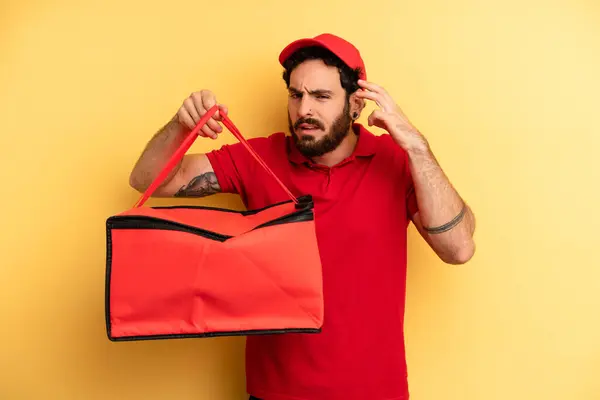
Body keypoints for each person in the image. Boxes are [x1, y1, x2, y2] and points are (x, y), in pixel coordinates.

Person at [129, 33, 476, 400]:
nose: (304, 109)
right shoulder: (258, 158)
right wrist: (182, 125)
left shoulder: (395, 162)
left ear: (356, 104)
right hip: (275, 393)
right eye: (296, 95)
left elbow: (458, 249)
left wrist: (416, 146)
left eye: (322, 96)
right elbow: (148, 180)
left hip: (375, 392)